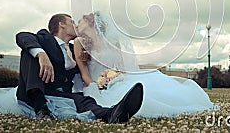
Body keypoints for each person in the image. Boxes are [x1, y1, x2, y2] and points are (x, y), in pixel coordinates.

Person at [73, 12, 217, 118]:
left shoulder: (112, 41)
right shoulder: (80, 43)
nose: (77, 22)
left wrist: (115, 78)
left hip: (116, 79)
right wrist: (98, 86)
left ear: (90, 22)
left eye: (81, 20)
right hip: (94, 84)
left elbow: (121, 67)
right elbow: (85, 74)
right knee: (120, 98)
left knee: (148, 86)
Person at [15, 13, 143, 123]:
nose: (75, 25)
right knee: (29, 52)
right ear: (62, 24)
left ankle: (111, 114)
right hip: (35, 93)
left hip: (60, 94)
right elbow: (22, 36)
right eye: (72, 22)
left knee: (85, 100)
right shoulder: (45, 38)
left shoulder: (73, 50)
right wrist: (40, 54)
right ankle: (40, 108)